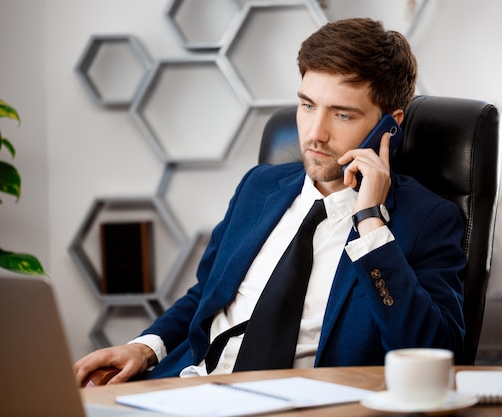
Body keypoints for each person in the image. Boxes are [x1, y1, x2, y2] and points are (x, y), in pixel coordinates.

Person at [74, 17, 465, 385]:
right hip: (190, 386)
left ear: (389, 125)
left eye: (342, 115)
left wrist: (370, 223)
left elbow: (435, 351)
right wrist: (144, 348)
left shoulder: (426, 220)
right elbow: (206, 296)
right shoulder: (259, 187)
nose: (315, 134)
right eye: (308, 106)